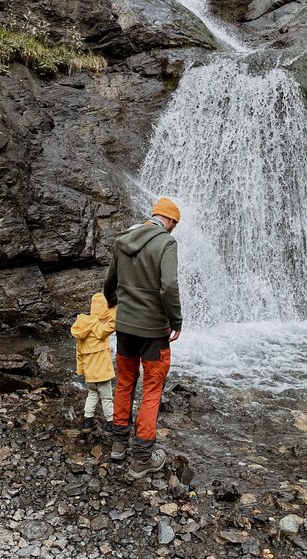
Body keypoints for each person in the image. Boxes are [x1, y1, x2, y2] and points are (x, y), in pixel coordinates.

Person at [104, 197, 182, 479]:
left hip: (125, 327)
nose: (173, 230)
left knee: (124, 383)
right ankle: (141, 458)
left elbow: (109, 284)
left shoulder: (123, 239)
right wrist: (176, 321)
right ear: (170, 221)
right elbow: (169, 286)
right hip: (153, 332)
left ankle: (117, 444)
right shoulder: (166, 243)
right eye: (174, 225)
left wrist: (115, 303)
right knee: (151, 390)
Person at [70, 292, 117, 432]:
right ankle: (111, 424)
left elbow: (78, 354)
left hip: (90, 374)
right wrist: (114, 308)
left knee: (92, 394)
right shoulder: (97, 327)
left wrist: (81, 370)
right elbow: (112, 326)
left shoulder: (82, 327)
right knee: (107, 398)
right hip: (102, 372)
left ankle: (88, 422)